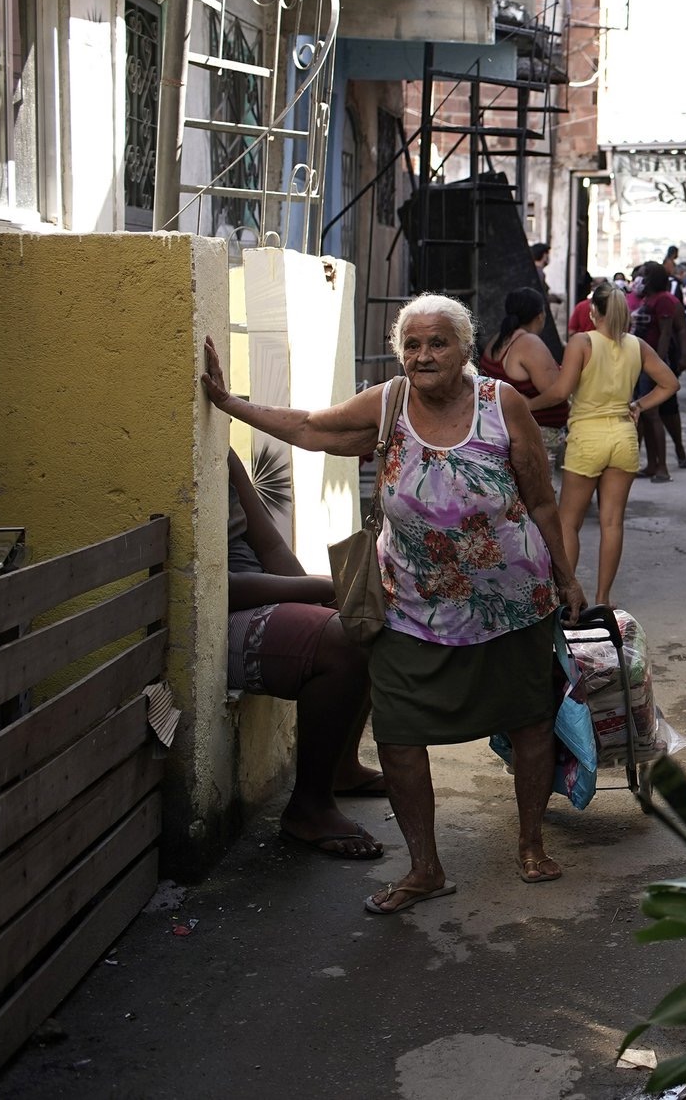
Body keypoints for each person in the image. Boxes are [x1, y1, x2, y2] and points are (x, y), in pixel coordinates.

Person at [201, 296, 586, 913]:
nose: (423, 356)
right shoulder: (386, 406)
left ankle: (531, 844)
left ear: (465, 348)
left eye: (437, 343)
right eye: (412, 344)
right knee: (401, 733)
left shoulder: (501, 404)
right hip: (411, 604)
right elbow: (308, 426)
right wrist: (229, 405)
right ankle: (424, 868)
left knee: (529, 719)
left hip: (511, 602)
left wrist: (568, 578)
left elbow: (541, 500)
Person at [224, 449, 386, 859]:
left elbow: (272, 547)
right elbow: (216, 585)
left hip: (258, 597)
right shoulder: (166, 445)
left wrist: (325, 601)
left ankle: (342, 770)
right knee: (343, 640)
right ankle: (308, 809)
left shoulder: (219, 451)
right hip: (218, 617)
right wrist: (318, 589)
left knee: (363, 618)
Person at [528, 279, 681, 607]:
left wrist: (524, 406)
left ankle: (567, 596)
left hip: (587, 437)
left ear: (593, 311)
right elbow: (670, 383)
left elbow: (559, 391)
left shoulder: (582, 342)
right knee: (613, 523)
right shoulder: (637, 346)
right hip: (623, 437)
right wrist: (639, 405)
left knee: (569, 522)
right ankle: (603, 598)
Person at [479, 288, 568, 458]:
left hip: (504, 428)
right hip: (535, 436)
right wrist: (530, 405)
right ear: (540, 315)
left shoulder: (499, 338)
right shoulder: (528, 343)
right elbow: (558, 391)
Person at [632, 261, 686, 481]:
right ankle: (652, 463)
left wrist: (657, 365)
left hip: (652, 364)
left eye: (643, 275)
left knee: (653, 414)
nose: (639, 279)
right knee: (646, 415)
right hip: (641, 363)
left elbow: (666, 333)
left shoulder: (664, 300)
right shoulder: (648, 299)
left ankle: (662, 467)